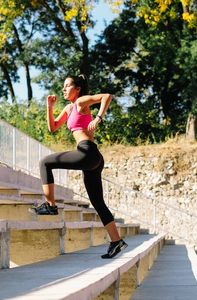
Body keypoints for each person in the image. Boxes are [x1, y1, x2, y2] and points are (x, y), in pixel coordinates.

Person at [29, 75, 127, 259]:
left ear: (78, 89)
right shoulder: (69, 108)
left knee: (45, 163)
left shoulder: (81, 101)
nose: (64, 89)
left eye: (67, 86)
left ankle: (51, 206)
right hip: (93, 157)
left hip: (87, 152)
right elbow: (53, 128)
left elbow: (107, 96)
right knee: (98, 202)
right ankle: (116, 241)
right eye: (63, 86)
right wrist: (49, 108)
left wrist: (98, 118)